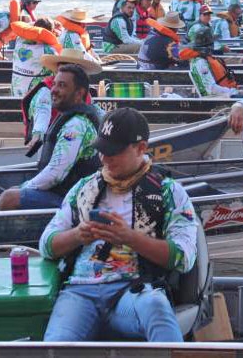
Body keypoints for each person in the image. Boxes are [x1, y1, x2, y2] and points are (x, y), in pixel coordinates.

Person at [39, 107, 199, 342]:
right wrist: (78, 235)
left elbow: (184, 258)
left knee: (156, 306)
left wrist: (129, 237)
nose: (104, 158)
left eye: (113, 151)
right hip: (80, 292)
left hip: (133, 291)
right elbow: (46, 244)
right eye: (101, 150)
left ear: (141, 147)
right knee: (55, 344)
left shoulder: (169, 191)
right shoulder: (84, 188)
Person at [0, 63, 102, 210]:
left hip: (72, 200)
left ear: (79, 93)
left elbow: (56, 174)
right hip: (61, 193)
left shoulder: (76, 125)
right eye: (54, 84)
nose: (54, 90)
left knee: (8, 198)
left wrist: (24, 187)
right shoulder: (71, 117)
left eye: (62, 85)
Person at [180, 28, 238, 97]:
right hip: (217, 98)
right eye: (211, 43)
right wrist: (233, 92)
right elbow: (211, 89)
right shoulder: (200, 62)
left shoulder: (205, 58)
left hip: (224, 93)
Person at [10, 17, 60, 97]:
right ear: (51, 33)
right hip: (33, 98)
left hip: (15, 93)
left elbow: (28, 28)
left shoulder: (19, 41)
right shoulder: (49, 51)